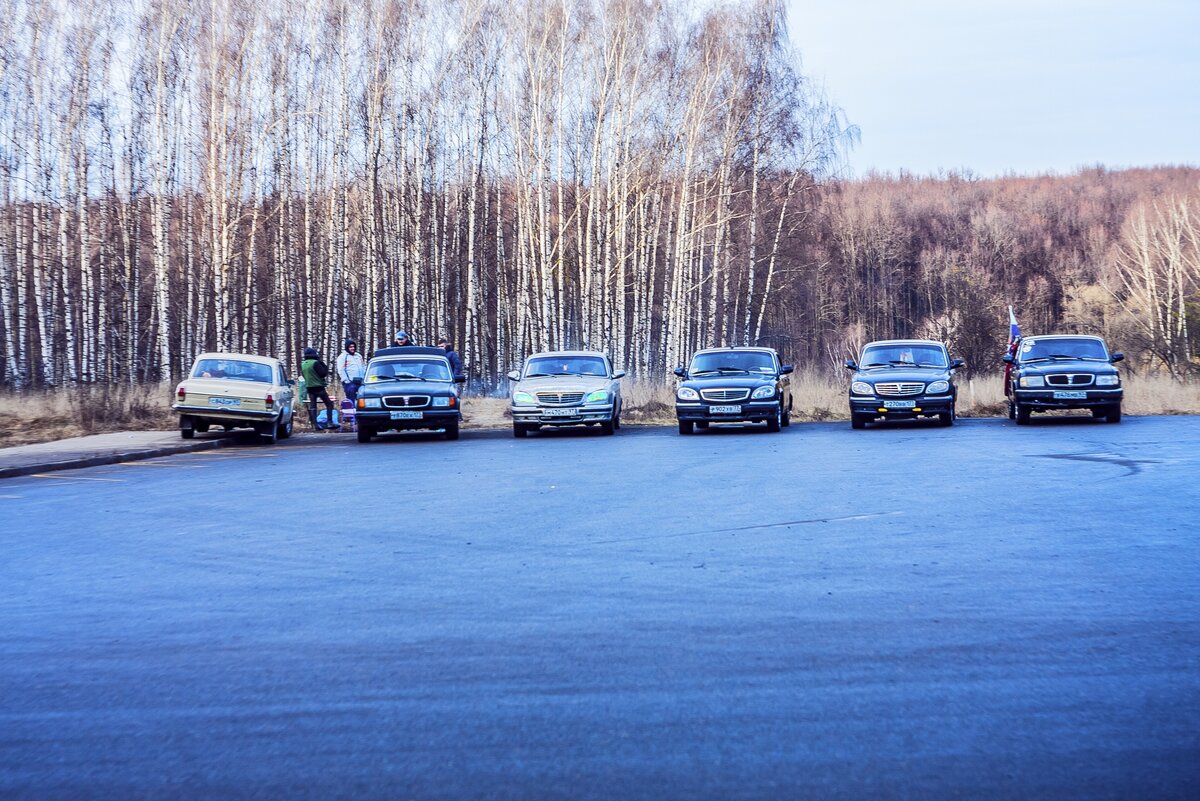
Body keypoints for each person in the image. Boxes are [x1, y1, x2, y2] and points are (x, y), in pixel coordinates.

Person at [300, 346, 336, 431]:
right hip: (319, 388)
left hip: (309, 388)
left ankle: (315, 425)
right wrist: (324, 365)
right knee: (329, 404)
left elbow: (304, 376)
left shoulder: (303, 364)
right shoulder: (315, 363)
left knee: (313, 406)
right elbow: (323, 373)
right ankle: (329, 423)